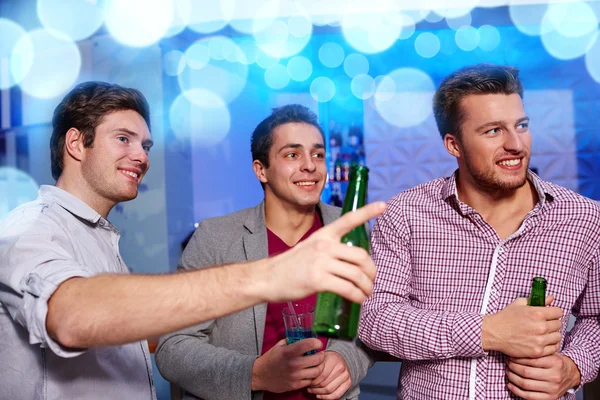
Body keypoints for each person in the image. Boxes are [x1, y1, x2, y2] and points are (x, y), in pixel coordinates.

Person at [0, 82, 385, 400]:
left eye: (145, 146)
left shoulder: (99, 237)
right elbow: (73, 317)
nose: (141, 156)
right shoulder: (30, 229)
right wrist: (269, 281)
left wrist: (346, 360)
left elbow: (377, 323)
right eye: (124, 139)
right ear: (75, 143)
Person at [359, 64, 600, 400]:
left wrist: (574, 366)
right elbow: (375, 320)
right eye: (493, 131)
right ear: (453, 144)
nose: (516, 144)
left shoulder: (585, 218)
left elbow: (596, 319)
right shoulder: (406, 214)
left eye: (522, 125)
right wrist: (488, 331)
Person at [155, 105, 373, 400]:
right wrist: (254, 374)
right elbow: (173, 347)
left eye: (318, 154)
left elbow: (374, 324)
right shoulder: (216, 238)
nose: (310, 165)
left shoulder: (349, 230)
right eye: (292, 155)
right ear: (261, 170)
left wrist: (347, 359)